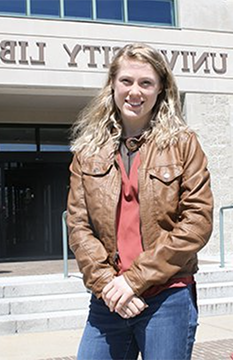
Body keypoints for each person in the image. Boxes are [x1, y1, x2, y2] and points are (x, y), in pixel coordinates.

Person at [67, 43, 213, 360]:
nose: (135, 91)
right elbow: (78, 225)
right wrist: (108, 284)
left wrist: (134, 281)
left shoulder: (183, 144)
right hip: (109, 297)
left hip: (167, 297)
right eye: (127, 81)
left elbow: (197, 222)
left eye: (146, 83)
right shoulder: (87, 151)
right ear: (113, 85)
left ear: (161, 89)